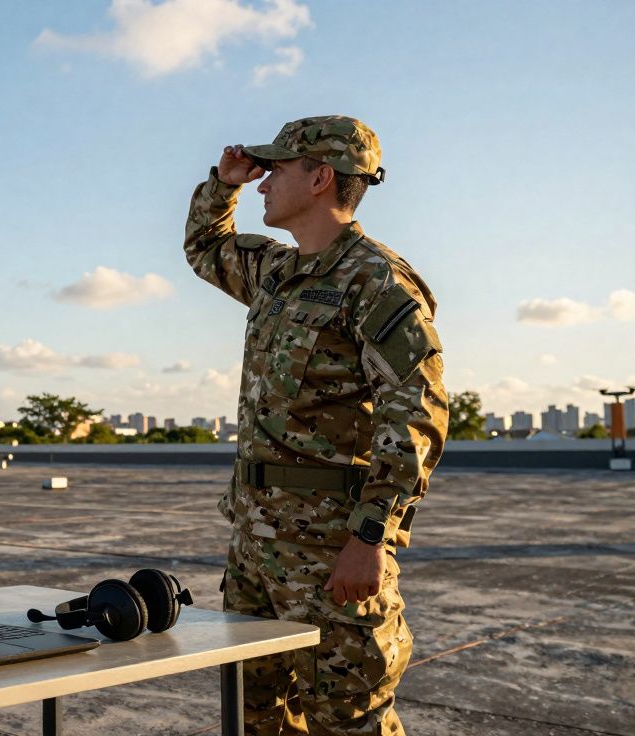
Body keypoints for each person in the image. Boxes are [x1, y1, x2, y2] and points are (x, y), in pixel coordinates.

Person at [183, 116, 448, 735]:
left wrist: (370, 538)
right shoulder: (274, 272)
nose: (266, 181)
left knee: (347, 721)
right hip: (255, 545)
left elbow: (415, 414)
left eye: (277, 169)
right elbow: (204, 248)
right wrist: (223, 187)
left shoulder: (376, 282)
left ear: (322, 177)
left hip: (331, 552)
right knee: (257, 715)